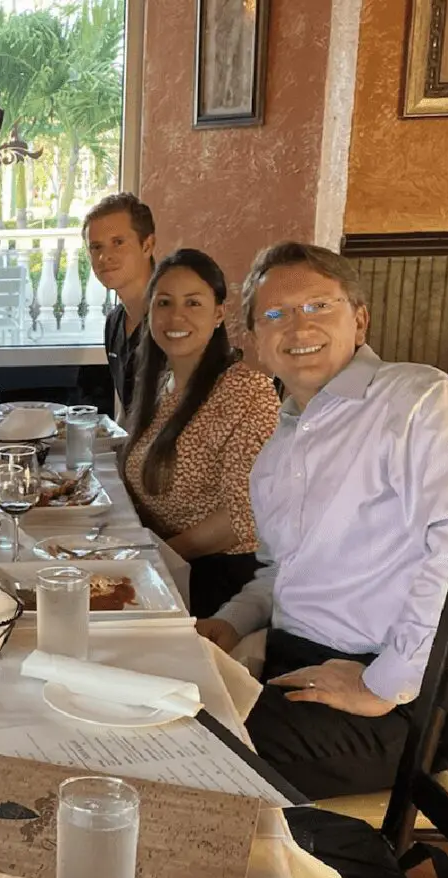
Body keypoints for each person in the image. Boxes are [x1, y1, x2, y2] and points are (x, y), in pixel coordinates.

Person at [196, 242, 448, 800]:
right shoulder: (281, 447)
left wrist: (382, 684)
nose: (298, 326)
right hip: (304, 663)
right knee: (145, 709)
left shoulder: (417, 400)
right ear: (254, 341)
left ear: (360, 318)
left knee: (181, 759)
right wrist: (228, 623)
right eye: (274, 314)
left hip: (406, 698)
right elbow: (283, 570)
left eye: (319, 305)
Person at [122, 249, 280, 618]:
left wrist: (154, 556)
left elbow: (242, 516)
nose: (176, 316)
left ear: (219, 313)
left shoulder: (248, 393)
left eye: (193, 302)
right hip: (165, 561)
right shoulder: (161, 385)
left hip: (218, 579)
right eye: (164, 302)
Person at [82, 192, 157, 417]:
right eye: (96, 247)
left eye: (118, 242)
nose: (105, 257)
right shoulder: (114, 323)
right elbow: (128, 416)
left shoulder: (172, 320)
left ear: (147, 245)